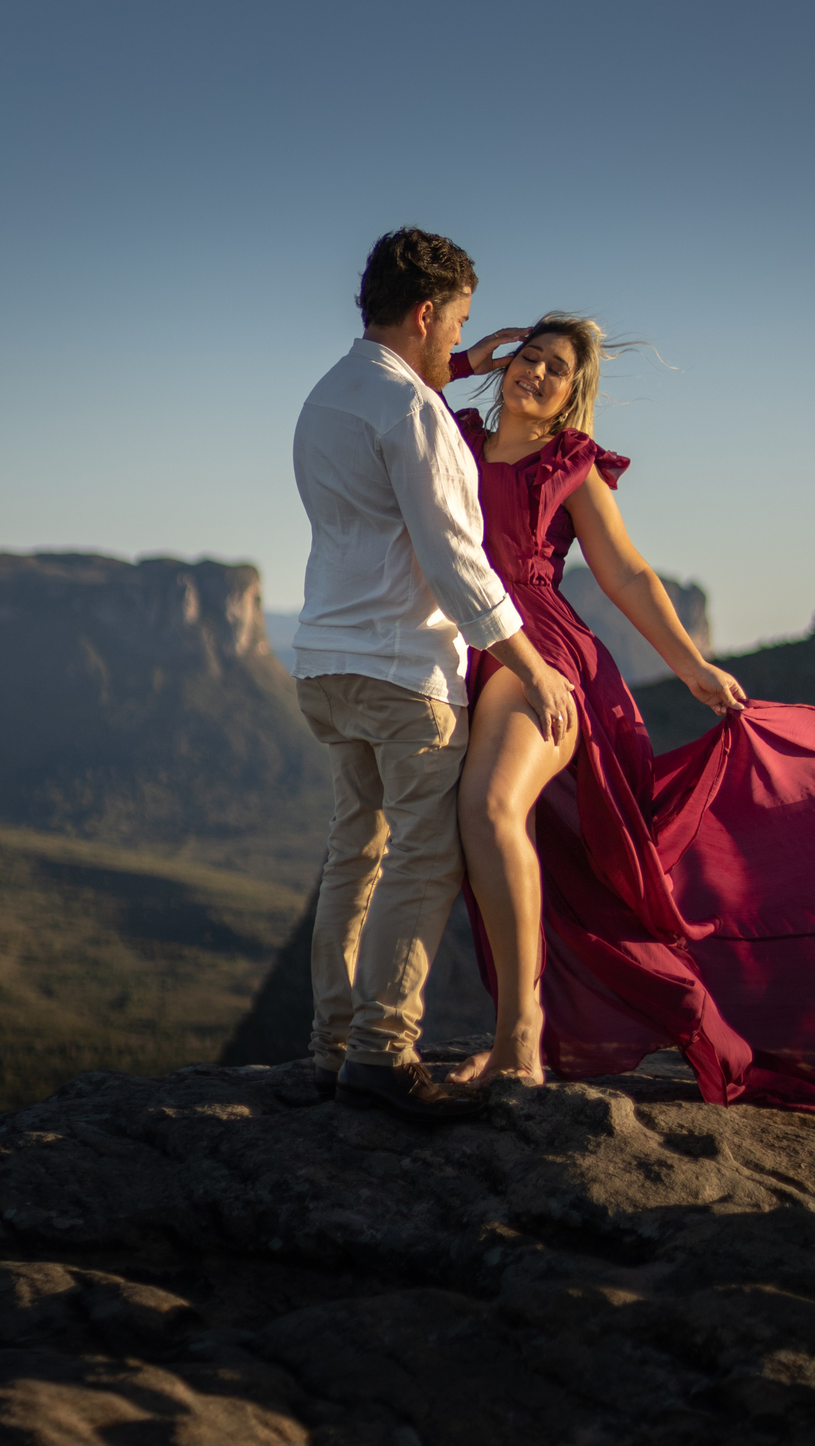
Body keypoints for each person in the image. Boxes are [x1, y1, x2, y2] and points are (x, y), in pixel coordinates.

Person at [444, 314, 815, 1124]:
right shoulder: (457, 435)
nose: (534, 373)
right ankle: (511, 1036)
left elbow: (626, 573)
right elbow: (400, 394)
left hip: (543, 654)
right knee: (509, 850)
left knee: (489, 810)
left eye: (555, 368)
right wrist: (462, 359)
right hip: (461, 648)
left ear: (571, 398)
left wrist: (691, 665)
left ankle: (521, 1040)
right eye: (527, 357)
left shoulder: (572, 466)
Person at [290, 229, 575, 1124]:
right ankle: (382, 1051)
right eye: (455, 320)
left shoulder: (328, 398)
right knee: (423, 854)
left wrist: (448, 369)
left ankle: (330, 1045)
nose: (462, 336)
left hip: (326, 665)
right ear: (425, 313)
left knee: (354, 853)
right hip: (404, 672)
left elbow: (392, 426)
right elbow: (456, 560)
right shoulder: (414, 417)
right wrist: (531, 664)